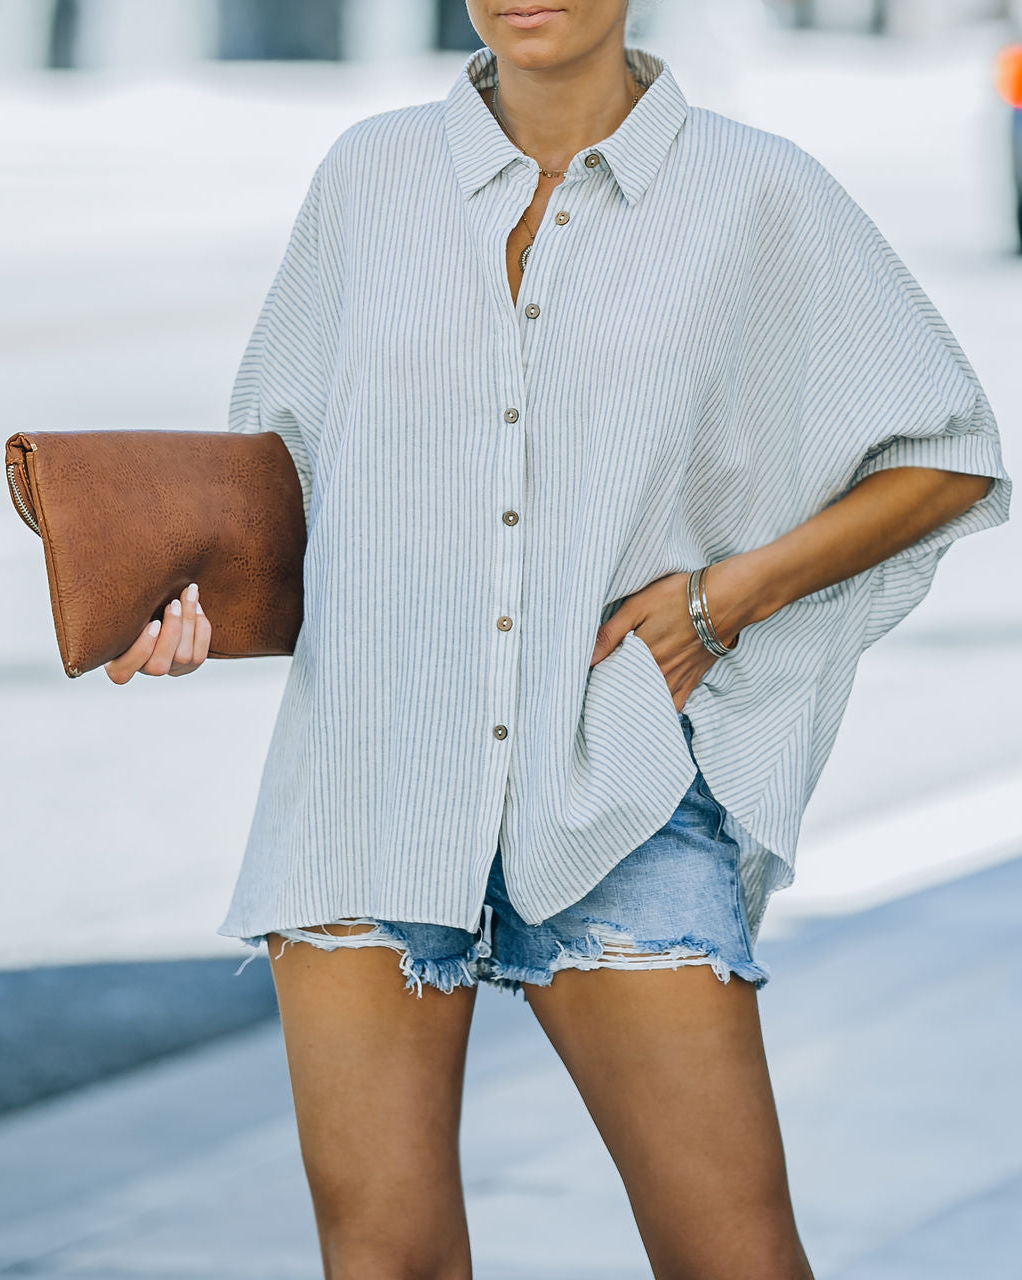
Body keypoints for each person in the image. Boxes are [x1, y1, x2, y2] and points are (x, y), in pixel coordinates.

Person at [104, 2, 1012, 1277]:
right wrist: (186, 593)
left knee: (732, 1255)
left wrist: (723, 597)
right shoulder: (369, 177)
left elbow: (944, 453)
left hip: (618, 782)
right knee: (385, 1260)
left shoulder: (757, 192)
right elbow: (290, 467)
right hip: (375, 780)